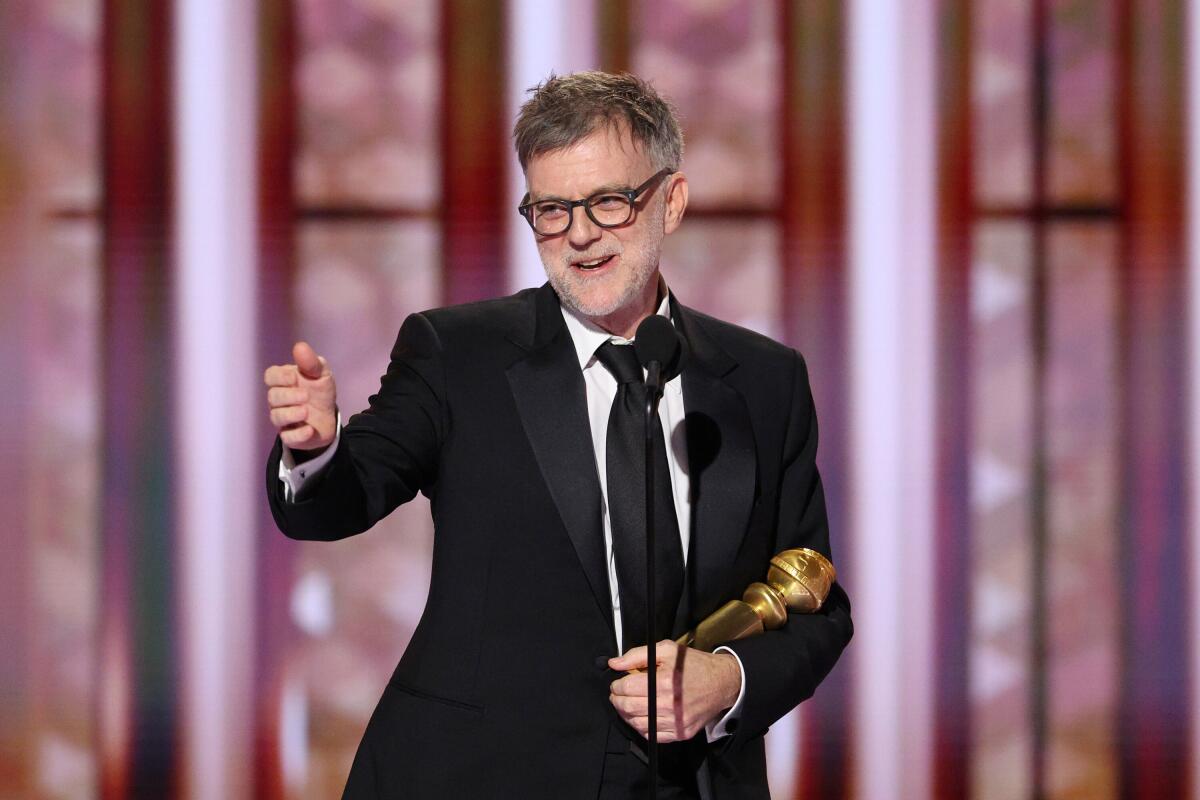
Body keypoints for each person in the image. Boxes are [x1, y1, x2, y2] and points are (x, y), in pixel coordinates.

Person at [263, 71, 852, 799]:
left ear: (671, 201)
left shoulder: (764, 380)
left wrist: (726, 681)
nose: (578, 234)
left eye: (608, 202)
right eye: (551, 209)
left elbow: (815, 604)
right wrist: (317, 450)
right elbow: (343, 498)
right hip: (479, 777)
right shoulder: (460, 354)